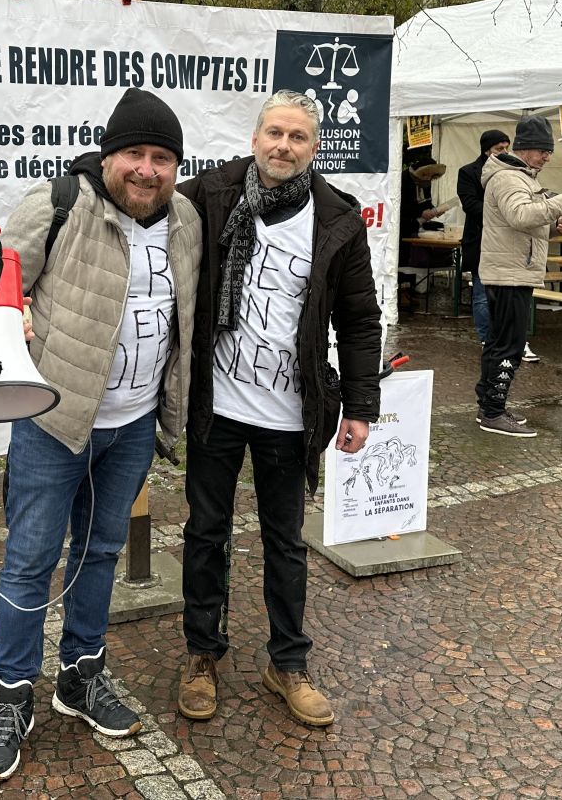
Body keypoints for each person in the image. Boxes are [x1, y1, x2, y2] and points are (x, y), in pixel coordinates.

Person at [0, 87, 202, 783]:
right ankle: (12, 697)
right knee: (30, 560)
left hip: (133, 425)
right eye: (135, 154)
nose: (147, 169)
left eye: (162, 158)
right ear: (109, 155)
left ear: (175, 167)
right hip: (54, 422)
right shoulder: (59, 203)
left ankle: (80, 674)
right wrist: (5, 320)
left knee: (99, 553)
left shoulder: (186, 219)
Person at [175, 90, 381, 729]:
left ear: (314, 147)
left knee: (285, 542)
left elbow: (359, 320)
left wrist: (360, 405)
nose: (283, 146)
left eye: (297, 137)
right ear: (255, 138)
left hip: (291, 411)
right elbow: (141, 209)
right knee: (205, 533)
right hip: (217, 403)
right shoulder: (208, 196)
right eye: (274, 133)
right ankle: (202, 655)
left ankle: (287, 662)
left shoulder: (337, 219)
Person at [475, 114, 562, 437]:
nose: (547, 157)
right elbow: (521, 216)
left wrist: (554, 227)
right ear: (525, 148)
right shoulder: (510, 178)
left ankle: (489, 406)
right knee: (510, 345)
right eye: (543, 151)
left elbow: (522, 226)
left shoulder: (519, 176)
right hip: (510, 274)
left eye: (549, 151)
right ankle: (493, 412)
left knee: (498, 342)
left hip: (511, 271)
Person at [457, 129, 511, 348]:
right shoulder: (468, 172)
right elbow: (470, 204)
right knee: (481, 292)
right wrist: (502, 213)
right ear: (486, 150)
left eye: (506, 147)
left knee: (507, 293)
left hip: (506, 241)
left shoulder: (512, 170)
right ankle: (486, 338)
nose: (504, 152)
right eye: (499, 148)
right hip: (480, 239)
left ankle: (504, 336)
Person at [397, 149, 447, 315]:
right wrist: (420, 212)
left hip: (415, 226)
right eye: (427, 177)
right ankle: (401, 291)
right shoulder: (403, 180)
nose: (429, 180)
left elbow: (426, 201)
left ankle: (410, 290)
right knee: (402, 258)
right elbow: (400, 205)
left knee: (412, 258)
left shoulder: (426, 182)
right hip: (401, 225)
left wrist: (434, 210)